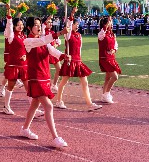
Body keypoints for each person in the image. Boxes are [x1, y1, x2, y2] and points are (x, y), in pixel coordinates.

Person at [20, 16, 70, 148]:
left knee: (34, 105)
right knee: (48, 106)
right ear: (29, 28)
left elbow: (52, 50)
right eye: (35, 25)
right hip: (35, 77)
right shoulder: (28, 41)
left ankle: (25, 129)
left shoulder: (43, 41)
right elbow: (43, 40)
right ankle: (55, 137)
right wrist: (59, 33)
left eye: (38, 24)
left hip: (44, 76)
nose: (38, 27)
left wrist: (63, 56)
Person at [55, 8, 102, 111]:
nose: (77, 25)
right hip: (70, 61)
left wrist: (80, 60)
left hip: (78, 61)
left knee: (85, 82)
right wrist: (72, 14)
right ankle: (59, 101)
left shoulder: (79, 35)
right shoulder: (68, 34)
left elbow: (79, 49)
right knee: (63, 82)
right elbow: (69, 24)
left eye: (77, 24)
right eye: (75, 24)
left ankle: (90, 104)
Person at [98, 16, 121, 104]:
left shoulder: (112, 34)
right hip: (104, 58)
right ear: (105, 24)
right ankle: (107, 94)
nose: (111, 24)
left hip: (111, 57)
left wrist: (114, 50)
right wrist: (107, 22)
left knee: (108, 77)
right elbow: (102, 33)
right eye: (110, 23)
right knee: (115, 77)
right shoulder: (101, 33)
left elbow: (116, 45)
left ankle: (104, 95)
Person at [42, 15, 62, 93]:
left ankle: (54, 85)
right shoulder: (43, 32)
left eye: (51, 22)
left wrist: (55, 45)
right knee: (45, 71)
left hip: (53, 53)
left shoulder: (53, 32)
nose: (50, 24)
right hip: (45, 53)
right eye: (49, 22)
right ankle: (46, 85)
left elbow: (58, 42)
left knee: (59, 69)